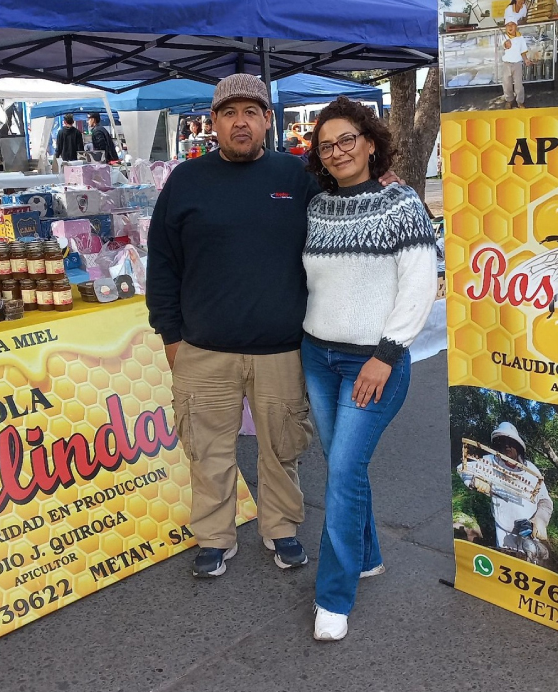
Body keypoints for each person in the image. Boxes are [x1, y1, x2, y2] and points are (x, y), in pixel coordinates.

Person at [147, 74, 322, 580]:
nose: (239, 122)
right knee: (208, 452)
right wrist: (170, 335)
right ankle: (214, 538)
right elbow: (163, 263)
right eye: (229, 113)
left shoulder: (297, 177)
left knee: (282, 449)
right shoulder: (187, 180)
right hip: (204, 349)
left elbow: (339, 226)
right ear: (214, 122)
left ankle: (281, 528)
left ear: (268, 119)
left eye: (250, 112)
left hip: (281, 349)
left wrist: (383, 182)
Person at [301, 96, 437, 641]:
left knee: (342, 470)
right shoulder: (317, 208)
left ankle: (333, 598)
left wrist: (386, 355)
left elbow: (419, 286)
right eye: (325, 146)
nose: (337, 152)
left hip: (373, 361)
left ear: (370, 142)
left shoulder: (400, 204)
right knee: (344, 466)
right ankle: (368, 555)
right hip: (317, 356)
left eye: (346, 140)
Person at [462, 423, 553, 553]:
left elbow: (545, 501)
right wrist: (474, 481)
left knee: (531, 561)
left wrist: (538, 522)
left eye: (511, 442)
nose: (506, 446)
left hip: (529, 533)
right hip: (504, 530)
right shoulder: (489, 462)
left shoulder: (532, 471)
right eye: (502, 442)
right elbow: (463, 468)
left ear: (518, 446)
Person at [501, 22, 535, 109]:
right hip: (506, 64)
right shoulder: (503, 37)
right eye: (508, 25)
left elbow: (522, 51)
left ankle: (520, 101)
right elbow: (502, 45)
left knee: (518, 85)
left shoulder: (520, 38)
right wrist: (506, 44)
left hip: (517, 64)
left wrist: (526, 60)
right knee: (507, 84)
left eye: (512, 24)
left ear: (516, 26)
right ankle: (509, 100)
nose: (510, 27)